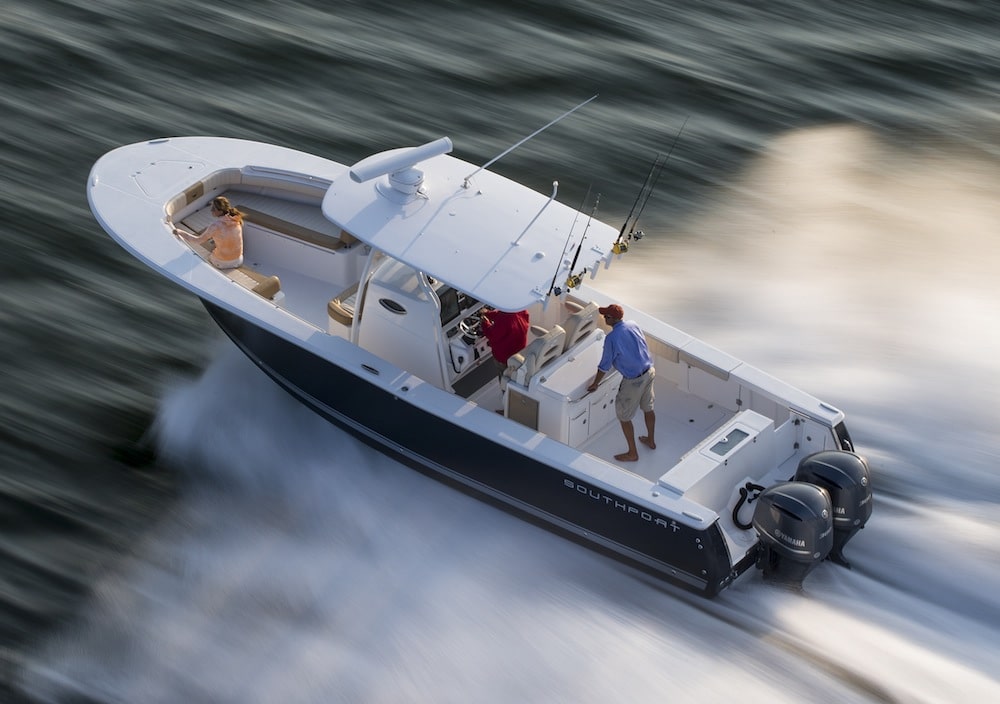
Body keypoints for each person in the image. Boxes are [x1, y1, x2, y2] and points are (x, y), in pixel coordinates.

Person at [587, 304, 656, 462]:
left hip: (634, 381)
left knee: (624, 417)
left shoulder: (612, 337)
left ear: (612, 318)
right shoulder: (633, 324)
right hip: (649, 371)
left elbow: (605, 365)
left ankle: (632, 453)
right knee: (648, 408)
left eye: (606, 316)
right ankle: (650, 440)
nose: (604, 318)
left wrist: (595, 384)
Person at [173, 196, 244, 269]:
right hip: (238, 261)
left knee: (207, 255)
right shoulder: (237, 220)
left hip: (221, 263)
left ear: (221, 211)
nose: (211, 210)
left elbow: (198, 241)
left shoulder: (215, 226)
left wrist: (179, 232)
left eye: (213, 209)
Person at [480, 308, 530, 379]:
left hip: (505, 357)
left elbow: (492, 335)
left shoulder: (504, 320)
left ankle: (504, 387)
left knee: (504, 375)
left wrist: (484, 323)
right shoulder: (522, 310)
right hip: (520, 353)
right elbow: (503, 316)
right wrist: (488, 313)